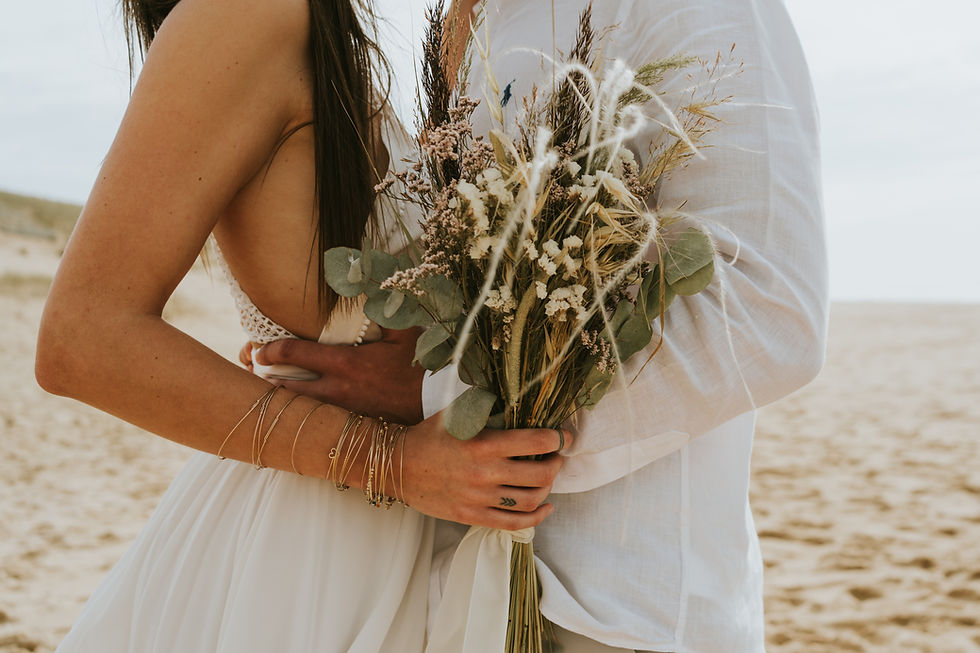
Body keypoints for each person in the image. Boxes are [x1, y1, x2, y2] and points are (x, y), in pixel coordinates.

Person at [249, 0, 829, 651]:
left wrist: (433, 398)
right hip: (459, 594)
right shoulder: (468, 20)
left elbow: (768, 311)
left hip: (618, 612)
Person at [35, 0, 569, 651]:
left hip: (388, 535)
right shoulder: (245, 14)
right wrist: (393, 462)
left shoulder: (323, 32)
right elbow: (82, 338)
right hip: (313, 556)